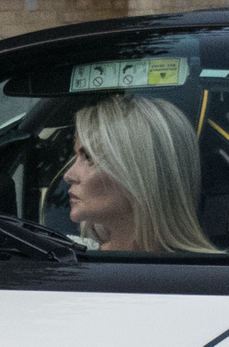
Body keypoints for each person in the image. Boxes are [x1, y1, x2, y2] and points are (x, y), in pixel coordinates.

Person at [62, 94, 220, 254]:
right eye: (76, 157)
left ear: (141, 171)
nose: (68, 175)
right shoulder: (62, 258)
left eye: (89, 157)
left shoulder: (212, 275)